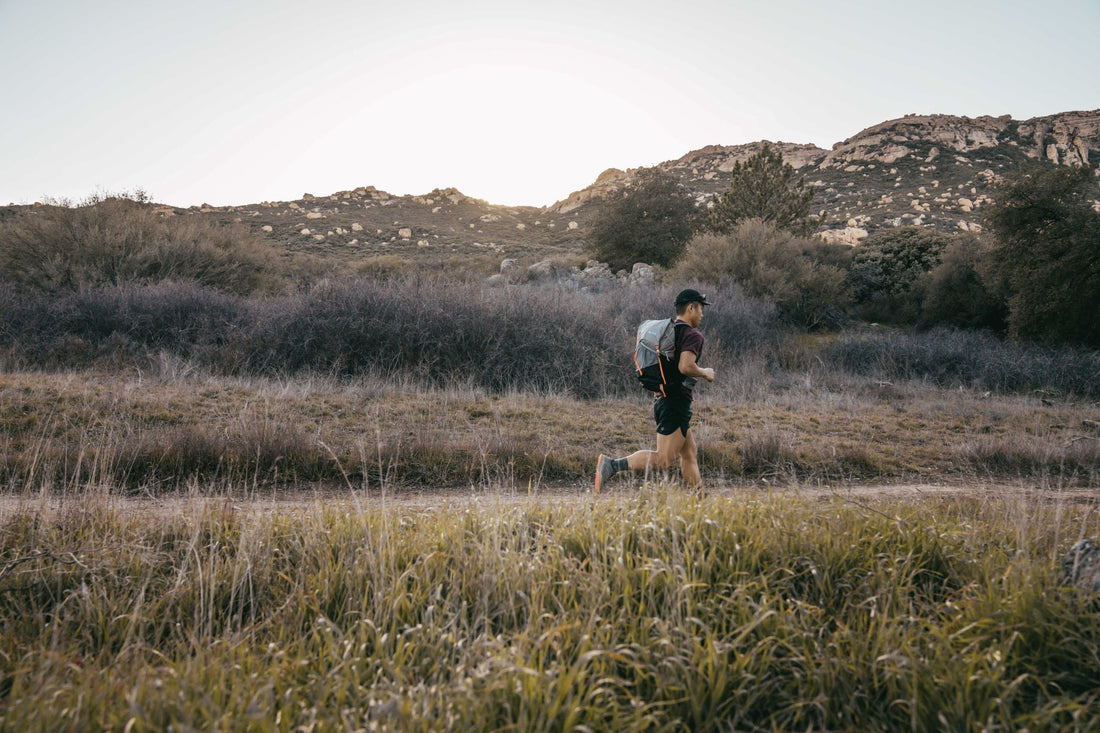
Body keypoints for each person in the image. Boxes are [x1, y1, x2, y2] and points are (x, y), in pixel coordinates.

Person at [596, 288, 716, 491]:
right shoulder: (691, 335)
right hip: (675, 402)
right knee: (663, 459)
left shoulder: (669, 333)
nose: (702, 314)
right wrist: (705, 372)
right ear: (690, 308)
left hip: (665, 400)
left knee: (689, 453)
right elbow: (685, 366)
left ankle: (700, 498)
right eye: (700, 309)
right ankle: (612, 465)